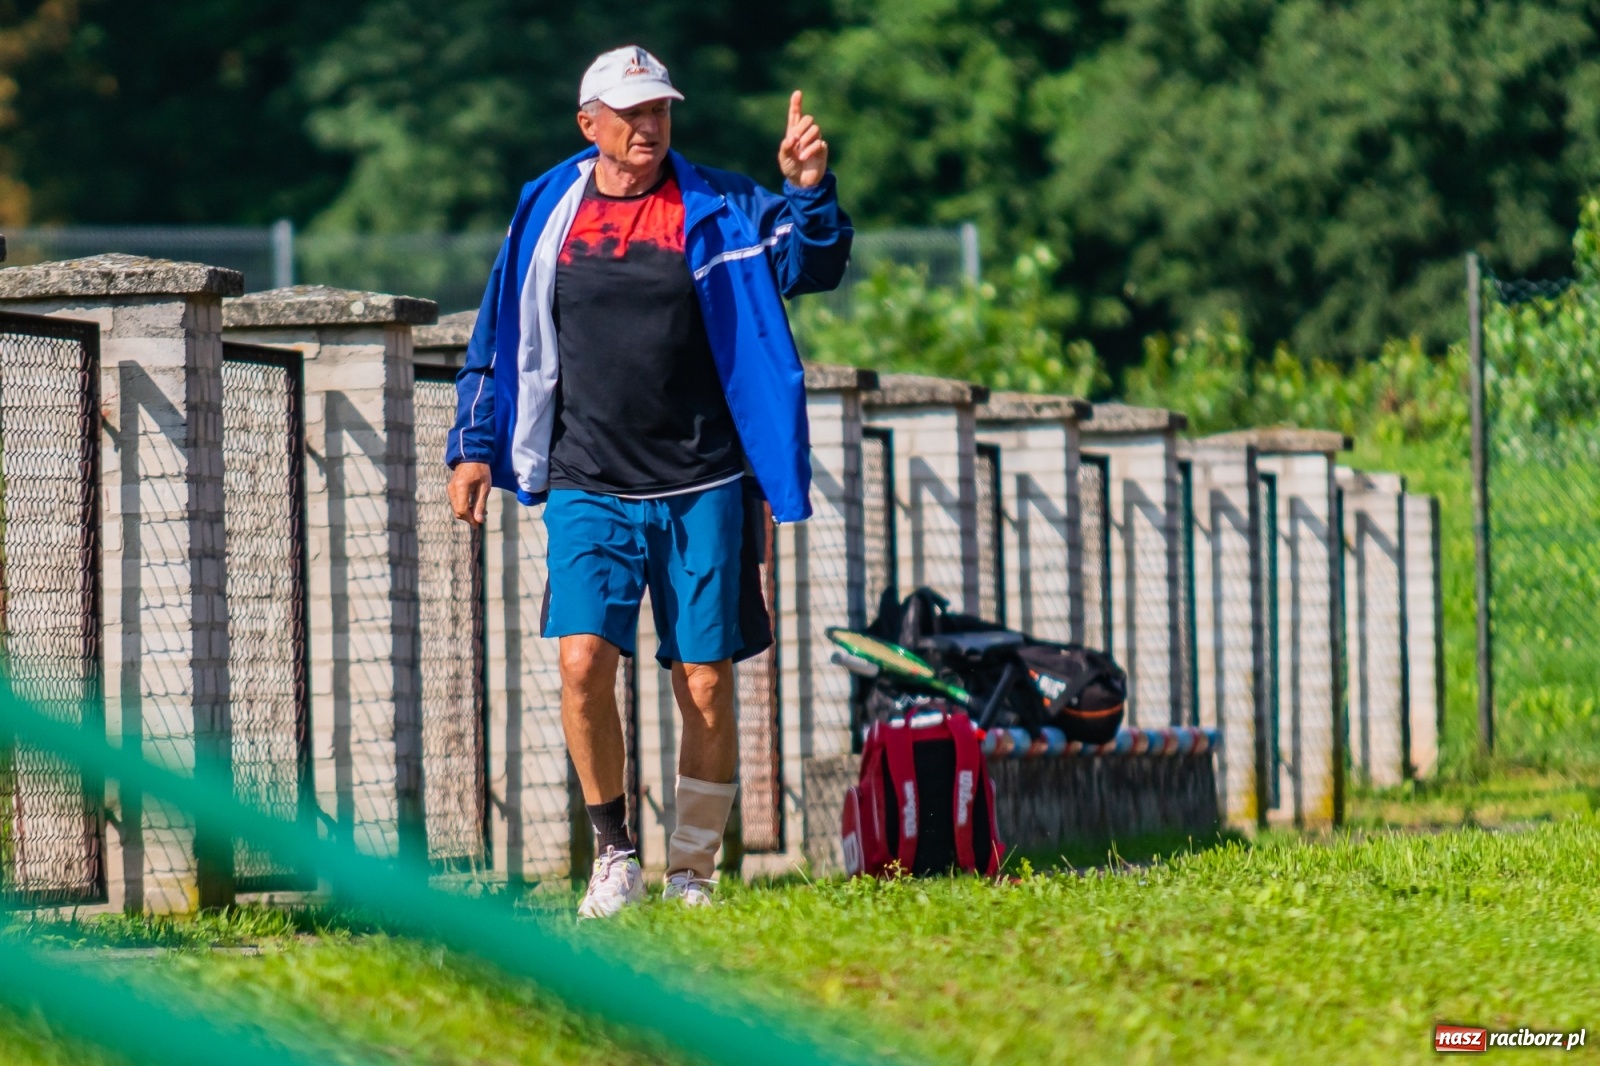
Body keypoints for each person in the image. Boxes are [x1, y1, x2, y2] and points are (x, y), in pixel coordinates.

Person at [445, 45, 852, 918]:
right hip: (587, 477)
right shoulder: (546, 210)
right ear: (588, 122)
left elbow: (812, 264)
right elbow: (498, 330)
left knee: (703, 677)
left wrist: (809, 189)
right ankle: (616, 851)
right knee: (584, 658)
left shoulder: (723, 205)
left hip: (703, 479)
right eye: (629, 113)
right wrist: (473, 444)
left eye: (659, 109)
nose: (648, 126)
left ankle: (695, 869)